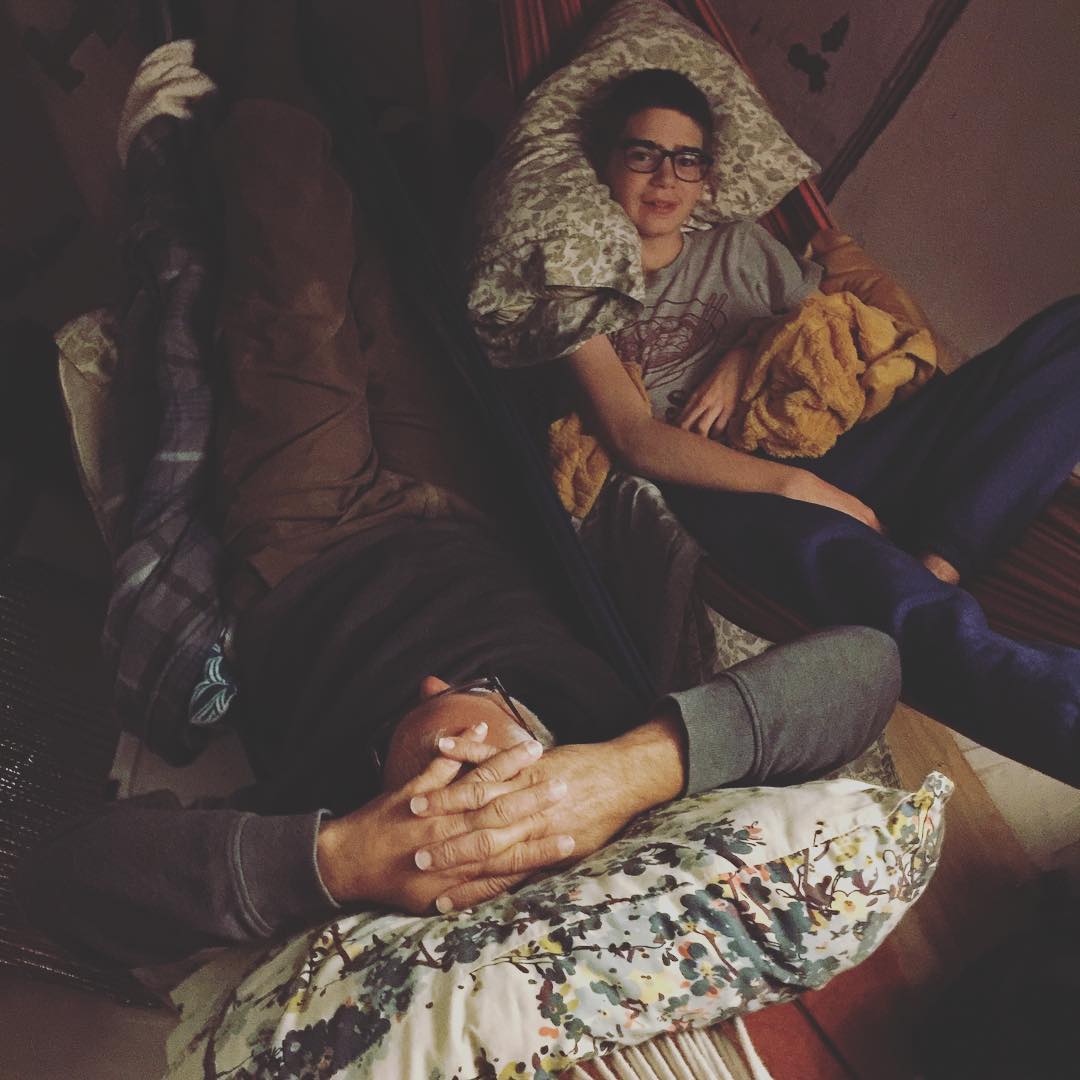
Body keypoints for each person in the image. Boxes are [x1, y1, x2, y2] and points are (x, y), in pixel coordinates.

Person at [15, 6, 901, 971]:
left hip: (309, 536)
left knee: (294, 281)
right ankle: (336, 95)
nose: (468, 766)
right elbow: (869, 667)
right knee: (398, 292)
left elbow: (57, 877)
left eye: (448, 809)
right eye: (511, 798)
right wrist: (632, 768)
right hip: (471, 512)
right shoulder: (611, 761)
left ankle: (258, 41)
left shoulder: (337, 824)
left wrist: (338, 858)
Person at [564, 68, 1080, 786]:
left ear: (707, 179)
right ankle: (1051, 702)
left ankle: (944, 557)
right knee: (842, 554)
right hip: (727, 485)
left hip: (836, 439)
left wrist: (746, 355)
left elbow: (814, 321)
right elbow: (632, 437)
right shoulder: (579, 286)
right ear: (607, 162)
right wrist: (796, 485)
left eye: (687, 159)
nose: (665, 178)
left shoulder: (739, 246)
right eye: (643, 154)